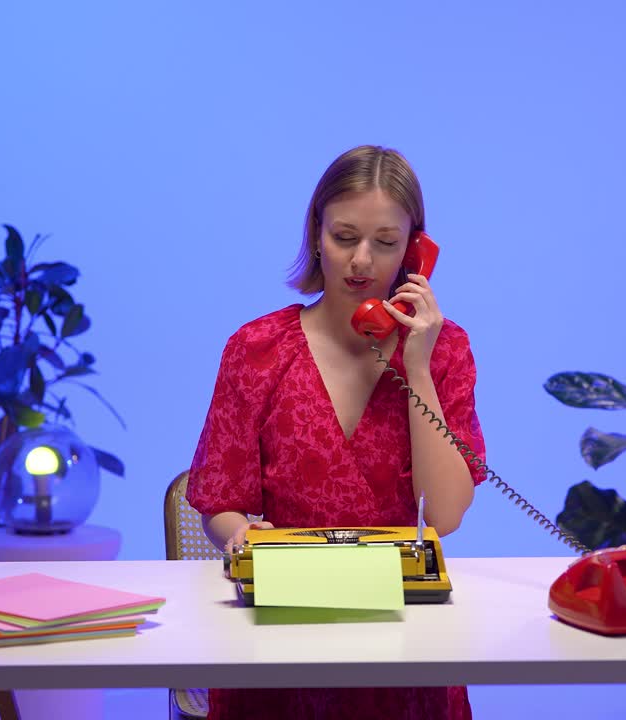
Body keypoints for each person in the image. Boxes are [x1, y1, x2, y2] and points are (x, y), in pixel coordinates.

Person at [186, 145, 487, 720]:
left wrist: (416, 363)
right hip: (277, 638)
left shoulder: (445, 350)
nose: (362, 262)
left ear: (417, 252)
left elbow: (444, 515)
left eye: (387, 243)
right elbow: (221, 501)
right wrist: (241, 536)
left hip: (404, 642)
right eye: (345, 237)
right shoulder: (256, 350)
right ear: (316, 234)